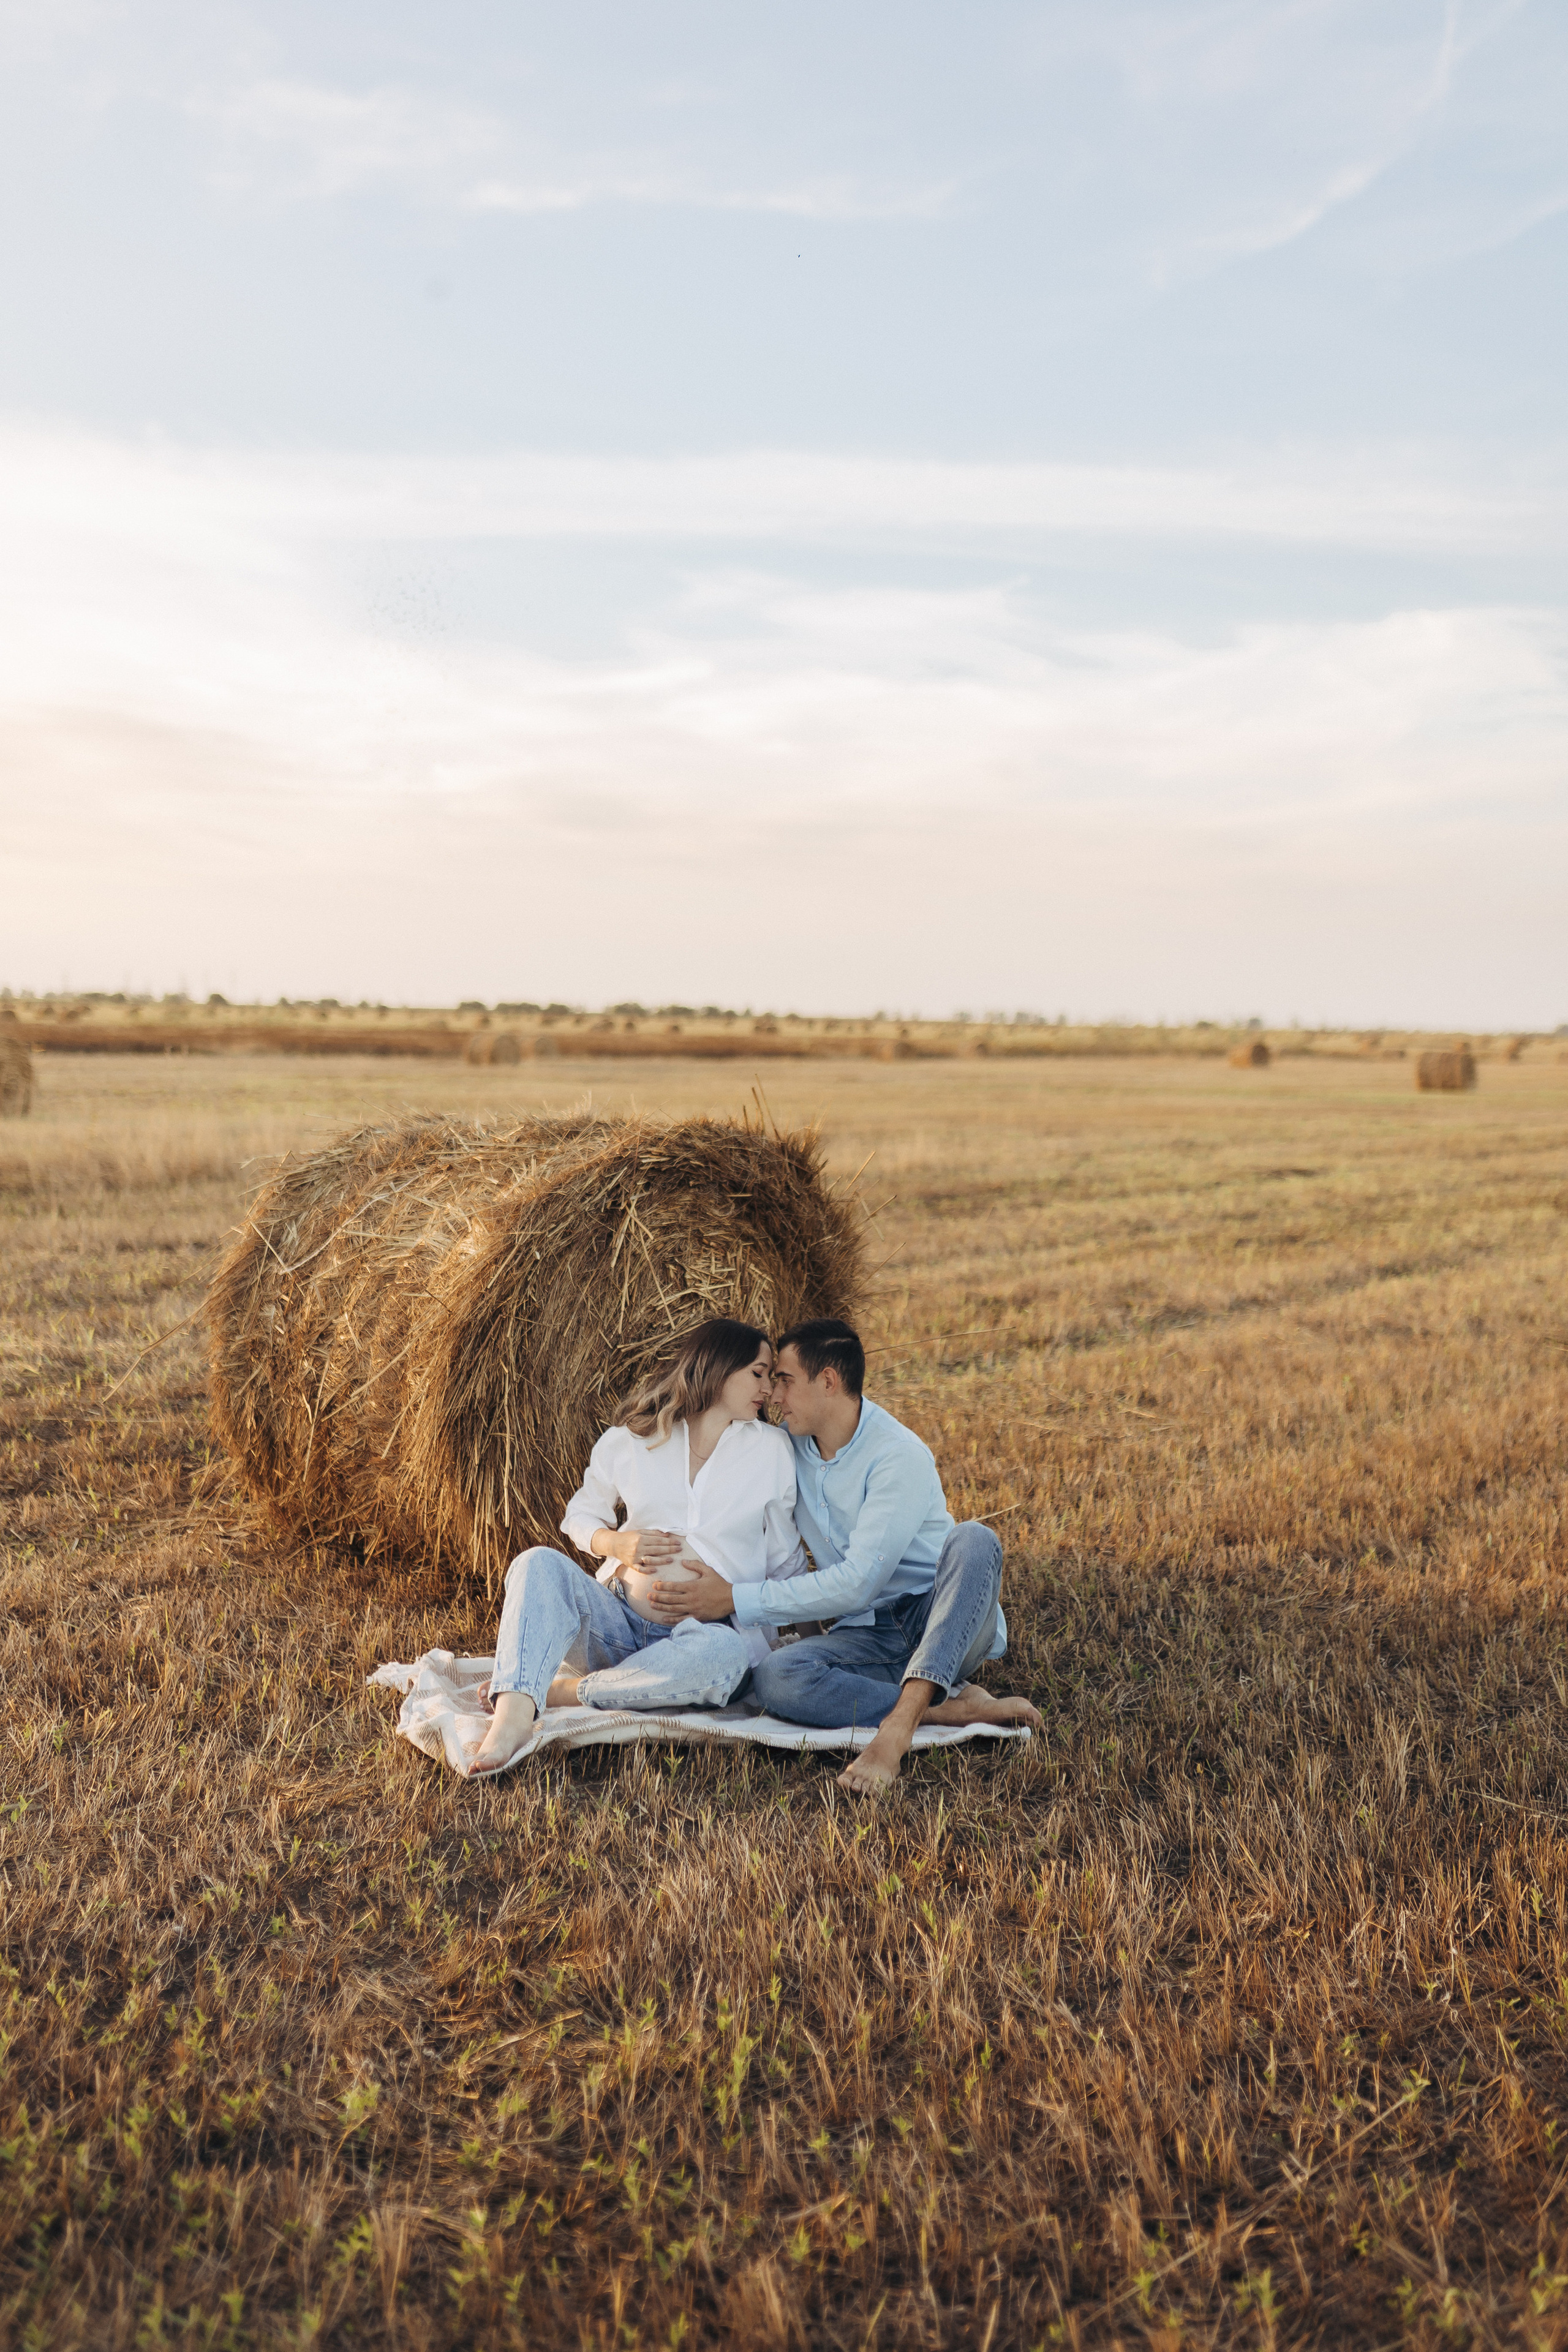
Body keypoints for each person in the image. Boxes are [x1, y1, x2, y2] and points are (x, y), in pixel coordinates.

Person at [647, 1317, 1038, 1793]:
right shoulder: (786, 1448)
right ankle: (944, 1708)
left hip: (938, 1619)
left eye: (786, 1380)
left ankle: (896, 1731)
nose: (773, 1395)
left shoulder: (898, 1455)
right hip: (865, 1635)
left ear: (828, 1381)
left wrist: (734, 1598)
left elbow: (859, 1583)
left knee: (975, 1539)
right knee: (777, 1677)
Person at [469, 1317, 807, 1776]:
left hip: (701, 1639)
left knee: (726, 1659)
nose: (769, 1387)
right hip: (614, 1624)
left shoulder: (771, 1450)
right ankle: (511, 1717)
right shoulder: (634, 1438)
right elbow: (579, 1517)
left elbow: (783, 1561)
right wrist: (617, 1543)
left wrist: (782, 1633)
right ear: (719, 1368)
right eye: (758, 1372)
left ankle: (562, 1692)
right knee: (536, 1564)